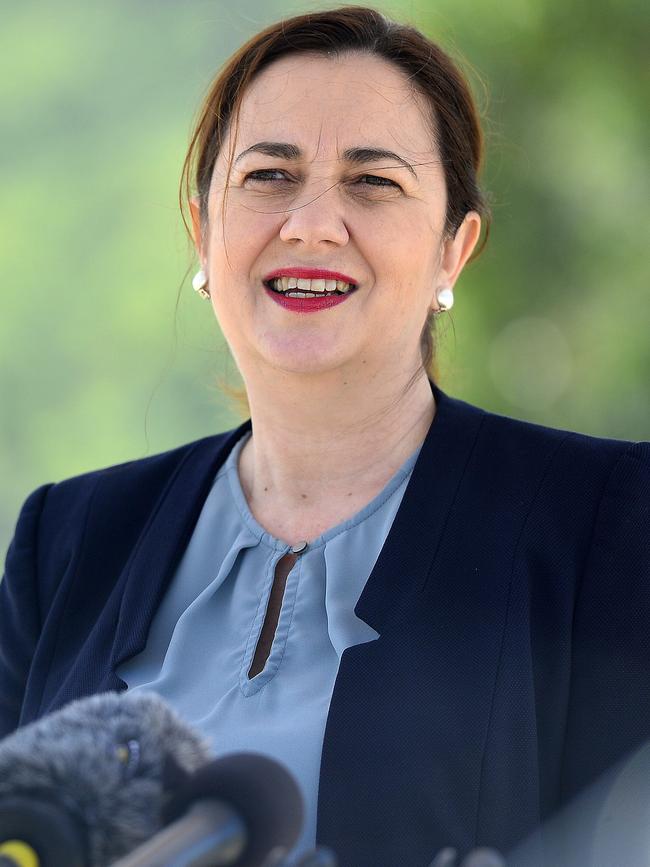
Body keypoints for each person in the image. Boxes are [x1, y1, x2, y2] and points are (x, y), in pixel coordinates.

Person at [1, 6, 648, 866]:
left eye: (372, 182)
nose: (311, 223)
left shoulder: (605, 521)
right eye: (269, 174)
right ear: (203, 231)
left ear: (454, 250)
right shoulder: (70, 537)